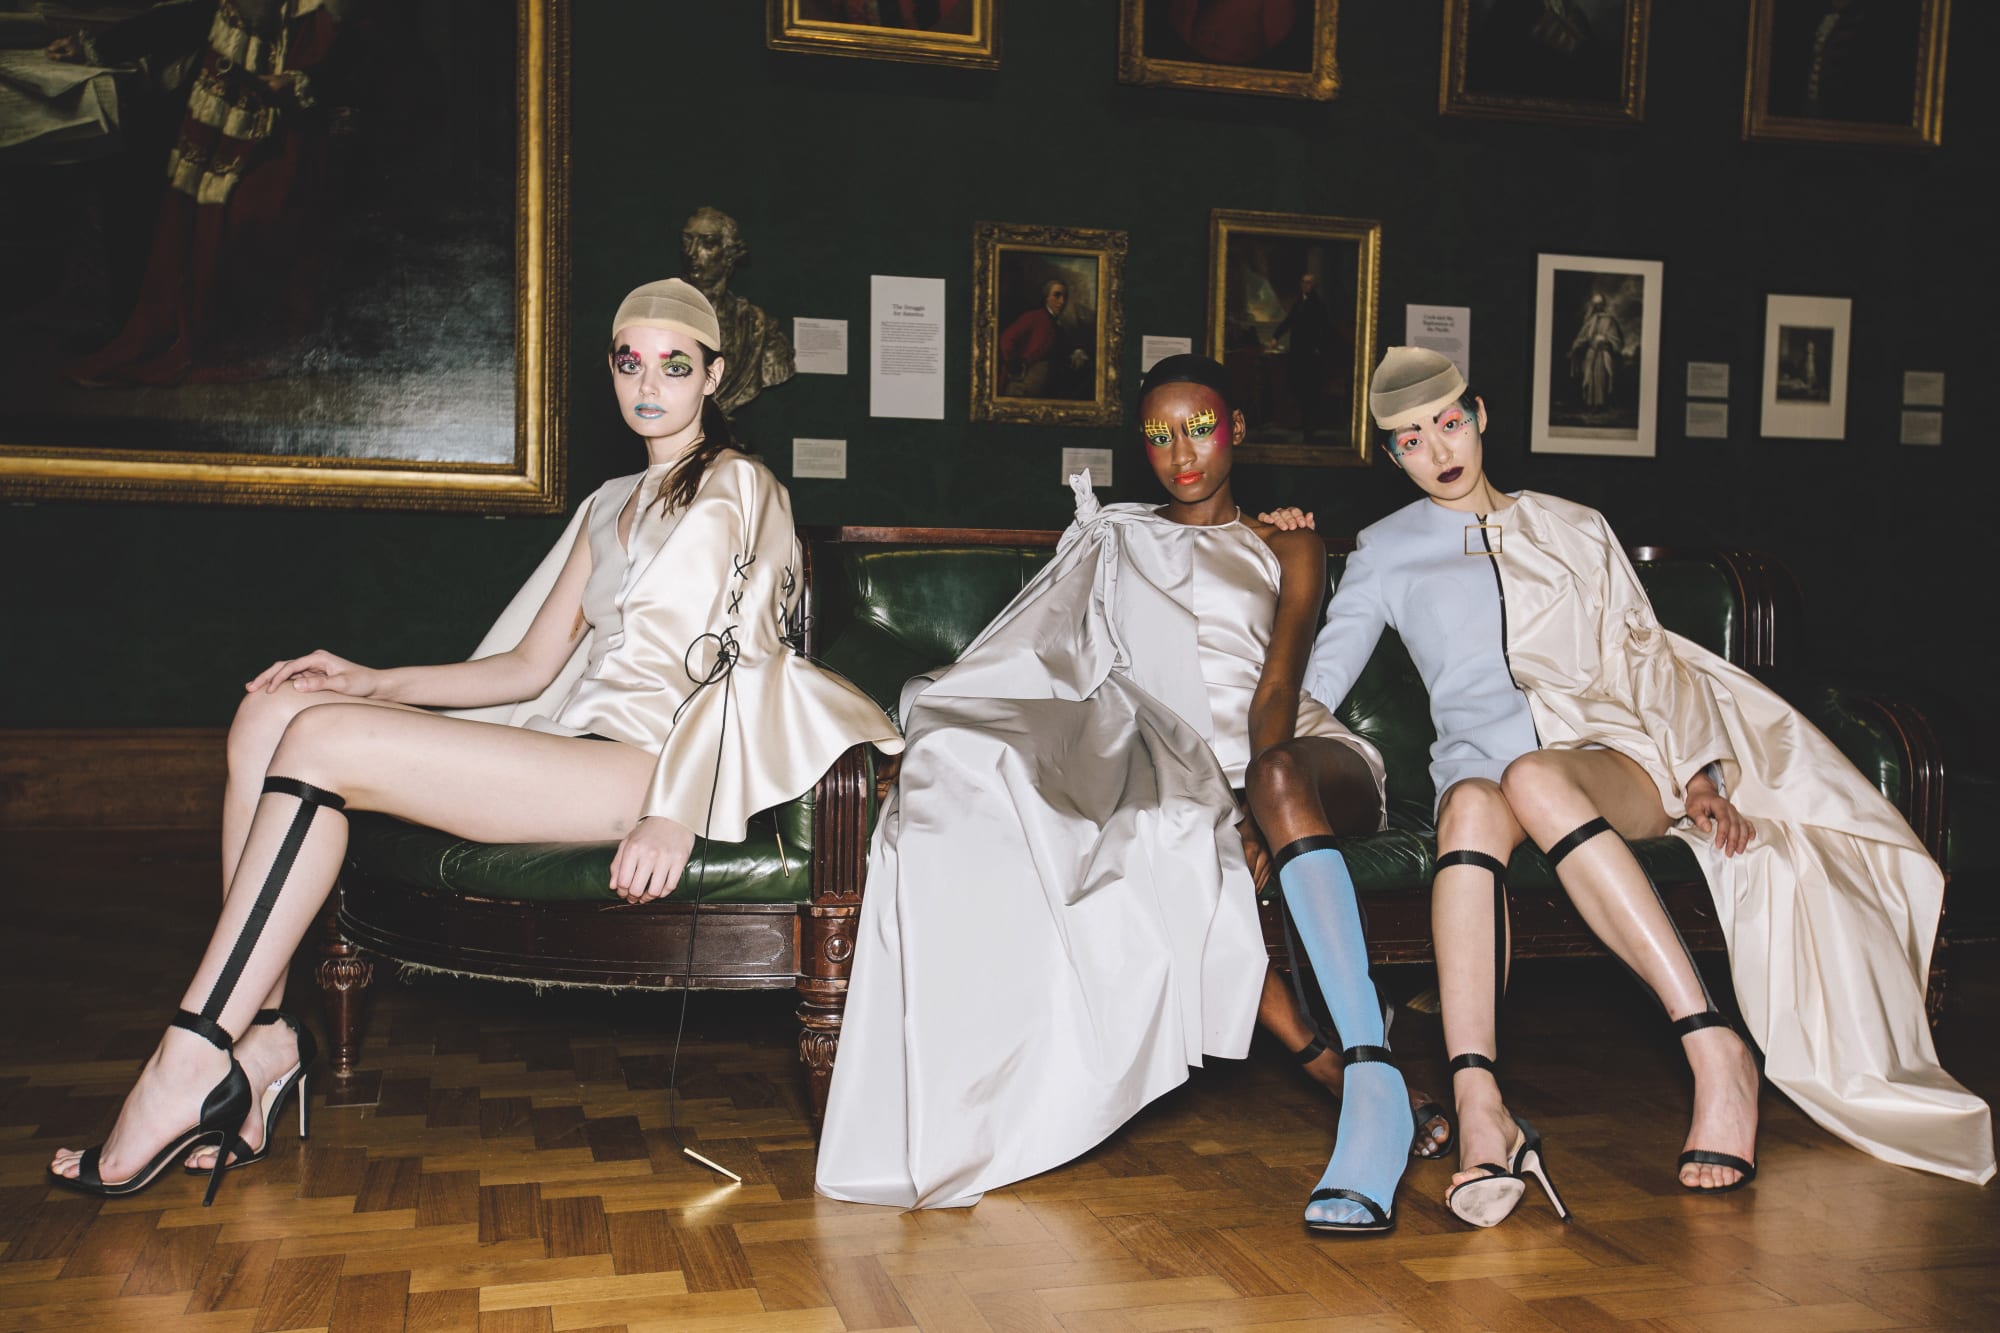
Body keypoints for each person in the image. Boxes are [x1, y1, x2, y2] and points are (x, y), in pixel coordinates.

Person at [46, 279, 901, 1204]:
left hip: (645, 766)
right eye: (630, 362)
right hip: (571, 749)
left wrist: (674, 808)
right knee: (275, 711)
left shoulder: (742, 485)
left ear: (714, 375)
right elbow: (526, 666)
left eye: (675, 364)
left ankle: (186, 1062)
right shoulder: (611, 502)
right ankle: (259, 1043)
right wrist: (369, 679)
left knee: (321, 740)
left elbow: (745, 659)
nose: (649, 384)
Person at [1266, 346, 1994, 1227]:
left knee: (1535, 774)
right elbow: (1313, 684)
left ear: (1481, 415)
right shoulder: (1386, 551)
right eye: (1412, 439)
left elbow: (1645, 655)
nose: (1439, 449)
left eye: (1449, 423)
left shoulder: (1574, 525)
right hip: (1482, 777)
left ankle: (1714, 1047)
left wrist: (1699, 774)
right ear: (1392, 454)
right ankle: (1481, 1109)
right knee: (1473, 802)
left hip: (1609, 759)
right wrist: (1277, 555)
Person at [816, 354, 1446, 1230]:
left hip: (1293, 753)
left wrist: (1254, 812)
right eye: (1159, 434)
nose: (1182, 453)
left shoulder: (1285, 542)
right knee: (1164, 839)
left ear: (1237, 430)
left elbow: (1277, 686)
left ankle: (1357, 1069)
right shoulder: (1114, 537)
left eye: (1201, 428)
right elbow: (1045, 655)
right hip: (1170, 758)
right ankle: (1349, 1075)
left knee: (1253, 791)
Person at [679, 206, 795, 416]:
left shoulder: (757, 327)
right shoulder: (662, 316)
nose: (692, 252)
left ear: (729, 255)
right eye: (688, 240)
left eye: (708, 243)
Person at [996, 277, 1088, 398]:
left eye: (1064, 297)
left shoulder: (1058, 326)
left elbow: (1063, 348)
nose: (1062, 301)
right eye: (1057, 295)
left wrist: (1077, 353)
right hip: (1023, 384)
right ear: (1046, 297)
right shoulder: (1033, 317)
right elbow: (1006, 338)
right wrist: (1016, 365)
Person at [1567, 291, 1623, 410]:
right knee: (1589, 378)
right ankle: (1590, 404)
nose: (1598, 307)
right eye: (1596, 304)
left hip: (1603, 354)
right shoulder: (1590, 321)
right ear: (1593, 306)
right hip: (1591, 353)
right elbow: (1582, 337)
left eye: (1600, 304)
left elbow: (1616, 339)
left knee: (1601, 378)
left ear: (1603, 305)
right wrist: (1574, 347)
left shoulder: (1610, 320)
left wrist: (1606, 341)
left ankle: (1601, 404)